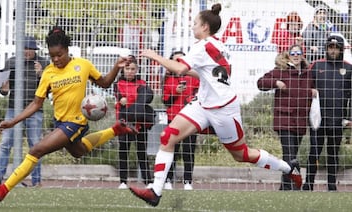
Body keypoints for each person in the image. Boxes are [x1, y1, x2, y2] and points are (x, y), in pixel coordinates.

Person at [129, 3, 302, 207]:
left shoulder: (201, 46)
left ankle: (289, 169)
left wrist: (155, 56)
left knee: (241, 154)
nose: (192, 27)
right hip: (203, 104)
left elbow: (180, 69)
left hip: (223, 109)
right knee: (168, 136)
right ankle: (155, 191)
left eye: (195, 24)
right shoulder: (219, 45)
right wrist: (184, 68)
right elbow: (206, 73)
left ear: (204, 27)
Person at [0, 26, 138, 202]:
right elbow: (36, 103)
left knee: (36, 150)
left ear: (67, 50)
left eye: (59, 55)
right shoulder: (48, 72)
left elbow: (104, 83)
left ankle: (3, 189)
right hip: (60, 122)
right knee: (78, 151)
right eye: (52, 56)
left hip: (76, 122)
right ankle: (116, 130)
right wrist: (13, 122)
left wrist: (116, 67)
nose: (56, 59)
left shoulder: (83, 65)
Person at [0, 36, 49, 187]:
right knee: (6, 143)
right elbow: (3, 90)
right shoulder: (12, 62)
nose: (27, 52)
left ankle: (36, 181)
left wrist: (41, 75)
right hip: (14, 108)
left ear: (35, 50)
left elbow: (50, 89)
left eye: (31, 49)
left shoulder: (44, 64)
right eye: (25, 48)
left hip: (35, 110)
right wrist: (4, 89)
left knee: (36, 146)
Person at [257, 44, 317, 190]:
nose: (296, 56)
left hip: (300, 121)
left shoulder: (308, 73)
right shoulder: (280, 71)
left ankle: (285, 186)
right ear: (288, 55)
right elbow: (260, 83)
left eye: (299, 53)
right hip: (284, 119)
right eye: (293, 53)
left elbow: (308, 92)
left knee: (291, 155)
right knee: (289, 153)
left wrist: (312, 92)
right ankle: (293, 185)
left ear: (303, 55)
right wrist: (275, 82)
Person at [303, 34, 352, 191]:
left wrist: (349, 118)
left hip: (338, 119)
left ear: (341, 49)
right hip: (318, 119)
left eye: (336, 48)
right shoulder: (316, 65)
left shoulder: (349, 68)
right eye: (330, 47)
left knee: (333, 153)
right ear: (326, 48)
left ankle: (331, 186)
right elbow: (303, 86)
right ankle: (308, 184)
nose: (333, 50)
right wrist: (310, 90)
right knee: (314, 152)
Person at [114, 57, 154, 189]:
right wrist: (135, 103)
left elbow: (144, 99)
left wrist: (134, 103)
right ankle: (123, 181)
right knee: (123, 151)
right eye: (127, 68)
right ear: (123, 70)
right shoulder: (118, 84)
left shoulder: (142, 83)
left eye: (133, 69)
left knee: (142, 152)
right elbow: (123, 100)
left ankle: (148, 181)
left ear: (137, 69)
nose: (130, 71)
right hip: (124, 123)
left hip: (140, 122)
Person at [162, 51, 199, 190]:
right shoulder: (168, 79)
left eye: (181, 60)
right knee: (172, 150)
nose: (179, 63)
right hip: (174, 119)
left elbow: (200, 95)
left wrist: (193, 98)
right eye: (175, 61)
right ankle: (168, 180)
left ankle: (188, 181)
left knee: (188, 151)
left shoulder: (194, 78)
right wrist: (175, 92)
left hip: (191, 120)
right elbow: (165, 101)